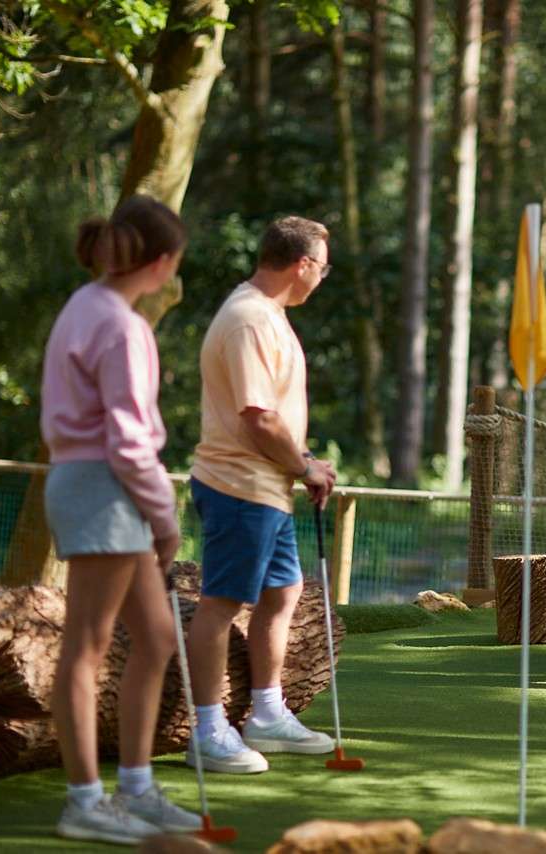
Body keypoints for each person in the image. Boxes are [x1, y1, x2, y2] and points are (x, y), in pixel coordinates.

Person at [41, 195, 203, 844]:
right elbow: (130, 442)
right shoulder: (123, 326)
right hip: (103, 488)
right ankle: (85, 800)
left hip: (95, 485)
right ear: (162, 262)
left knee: (158, 635)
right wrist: (165, 520)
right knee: (85, 646)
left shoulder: (89, 305)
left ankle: (135, 787)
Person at [184, 216, 338, 774]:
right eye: (321, 268)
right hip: (237, 486)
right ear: (302, 265)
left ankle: (267, 714)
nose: (321, 279)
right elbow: (257, 417)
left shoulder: (267, 314)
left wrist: (302, 466)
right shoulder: (249, 317)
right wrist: (304, 467)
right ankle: (207, 728)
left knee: (283, 593)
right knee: (222, 604)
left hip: (268, 486)